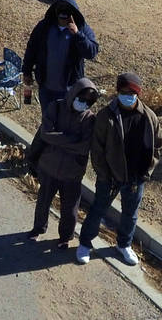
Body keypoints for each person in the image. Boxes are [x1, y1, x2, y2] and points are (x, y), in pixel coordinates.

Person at [76, 73, 161, 266]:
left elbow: (157, 146)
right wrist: (105, 175)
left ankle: (124, 245)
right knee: (98, 209)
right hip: (110, 177)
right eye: (123, 91)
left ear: (138, 93)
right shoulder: (106, 116)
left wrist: (146, 172)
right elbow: (97, 150)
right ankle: (85, 243)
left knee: (130, 214)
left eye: (131, 92)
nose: (127, 95)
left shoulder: (149, 117)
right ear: (118, 91)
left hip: (135, 177)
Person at [29, 78, 97, 246]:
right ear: (73, 95)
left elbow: (84, 146)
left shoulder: (90, 119)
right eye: (81, 99)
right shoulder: (56, 107)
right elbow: (45, 134)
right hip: (48, 167)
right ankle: (38, 229)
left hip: (72, 172)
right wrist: (72, 140)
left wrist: (58, 139)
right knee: (43, 202)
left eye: (88, 101)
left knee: (70, 209)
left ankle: (65, 237)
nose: (83, 103)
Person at [23, 0, 99, 112]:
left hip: (70, 90)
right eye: (60, 13)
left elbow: (92, 52)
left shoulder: (82, 28)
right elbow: (31, 49)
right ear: (55, 11)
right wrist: (26, 71)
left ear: (73, 12)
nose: (63, 17)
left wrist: (78, 35)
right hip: (46, 88)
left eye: (67, 12)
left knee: (66, 123)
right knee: (48, 120)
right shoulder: (44, 27)